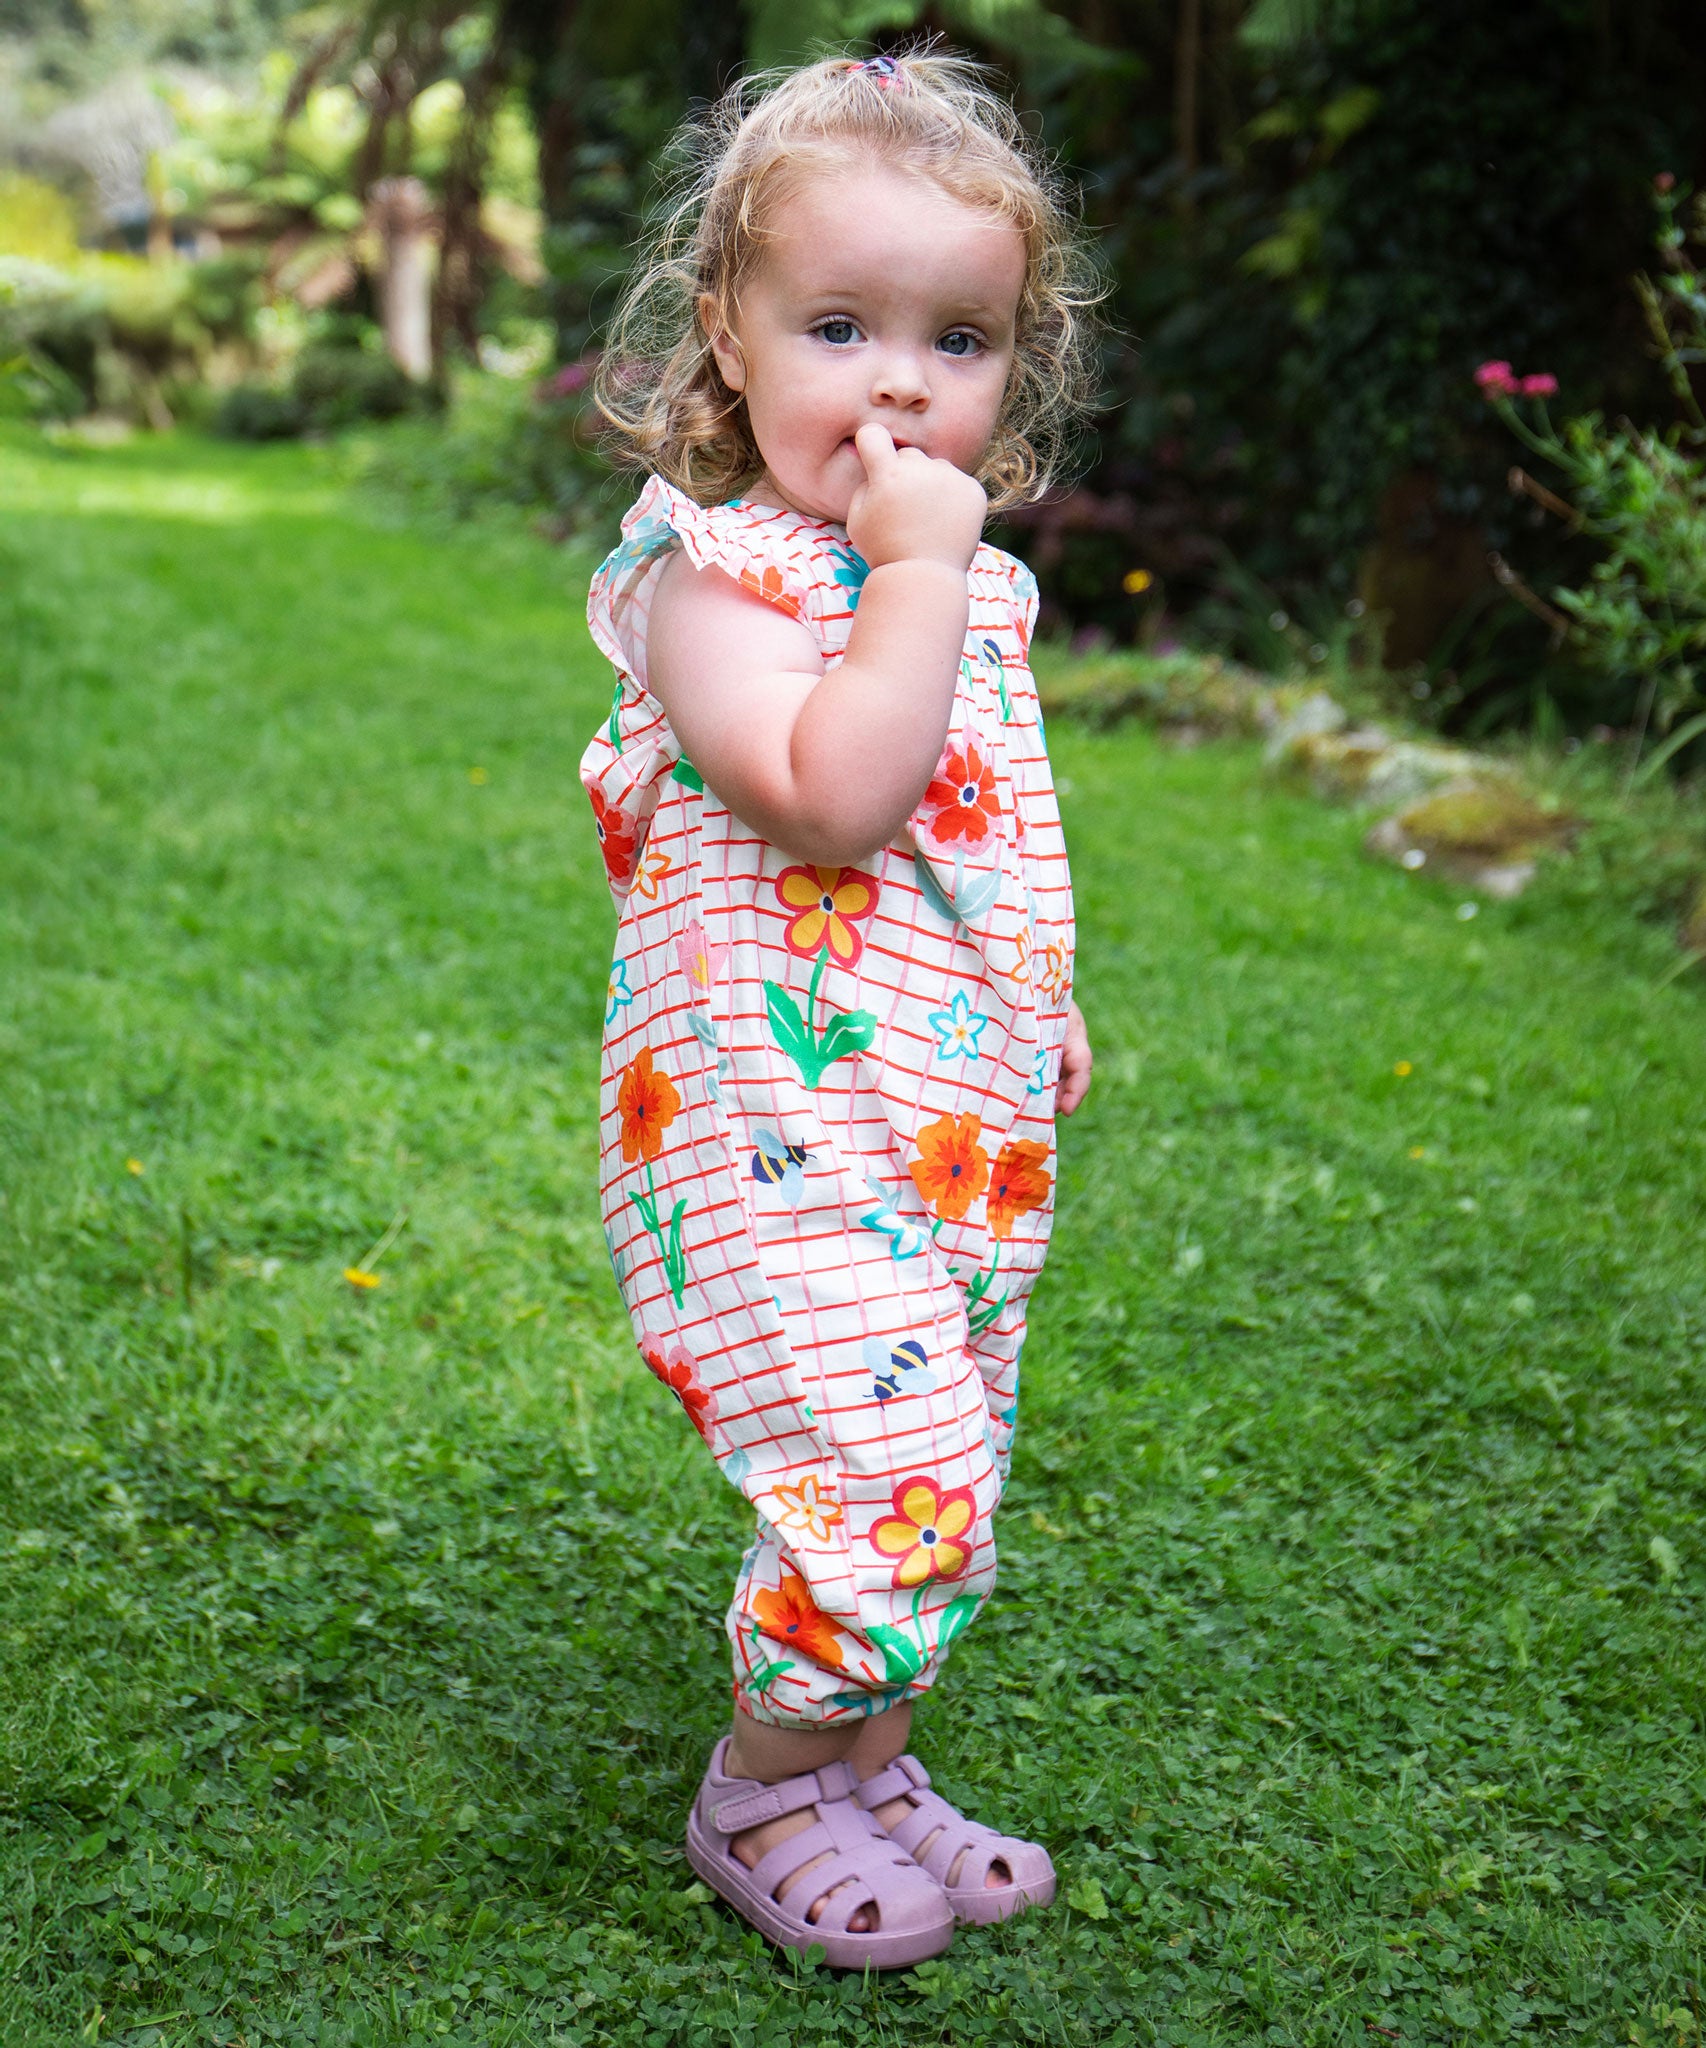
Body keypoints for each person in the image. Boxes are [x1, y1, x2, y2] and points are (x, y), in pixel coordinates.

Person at [581, 47, 1098, 1970]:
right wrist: (922, 576)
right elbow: (829, 794)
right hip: (761, 1138)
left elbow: (978, 830)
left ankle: (867, 1765)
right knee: (877, 1478)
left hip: (944, 1129)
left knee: (943, 1463)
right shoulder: (708, 580)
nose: (902, 382)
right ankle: (762, 1786)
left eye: (957, 339)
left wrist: (1038, 992)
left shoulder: (937, 581)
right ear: (724, 332)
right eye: (837, 324)